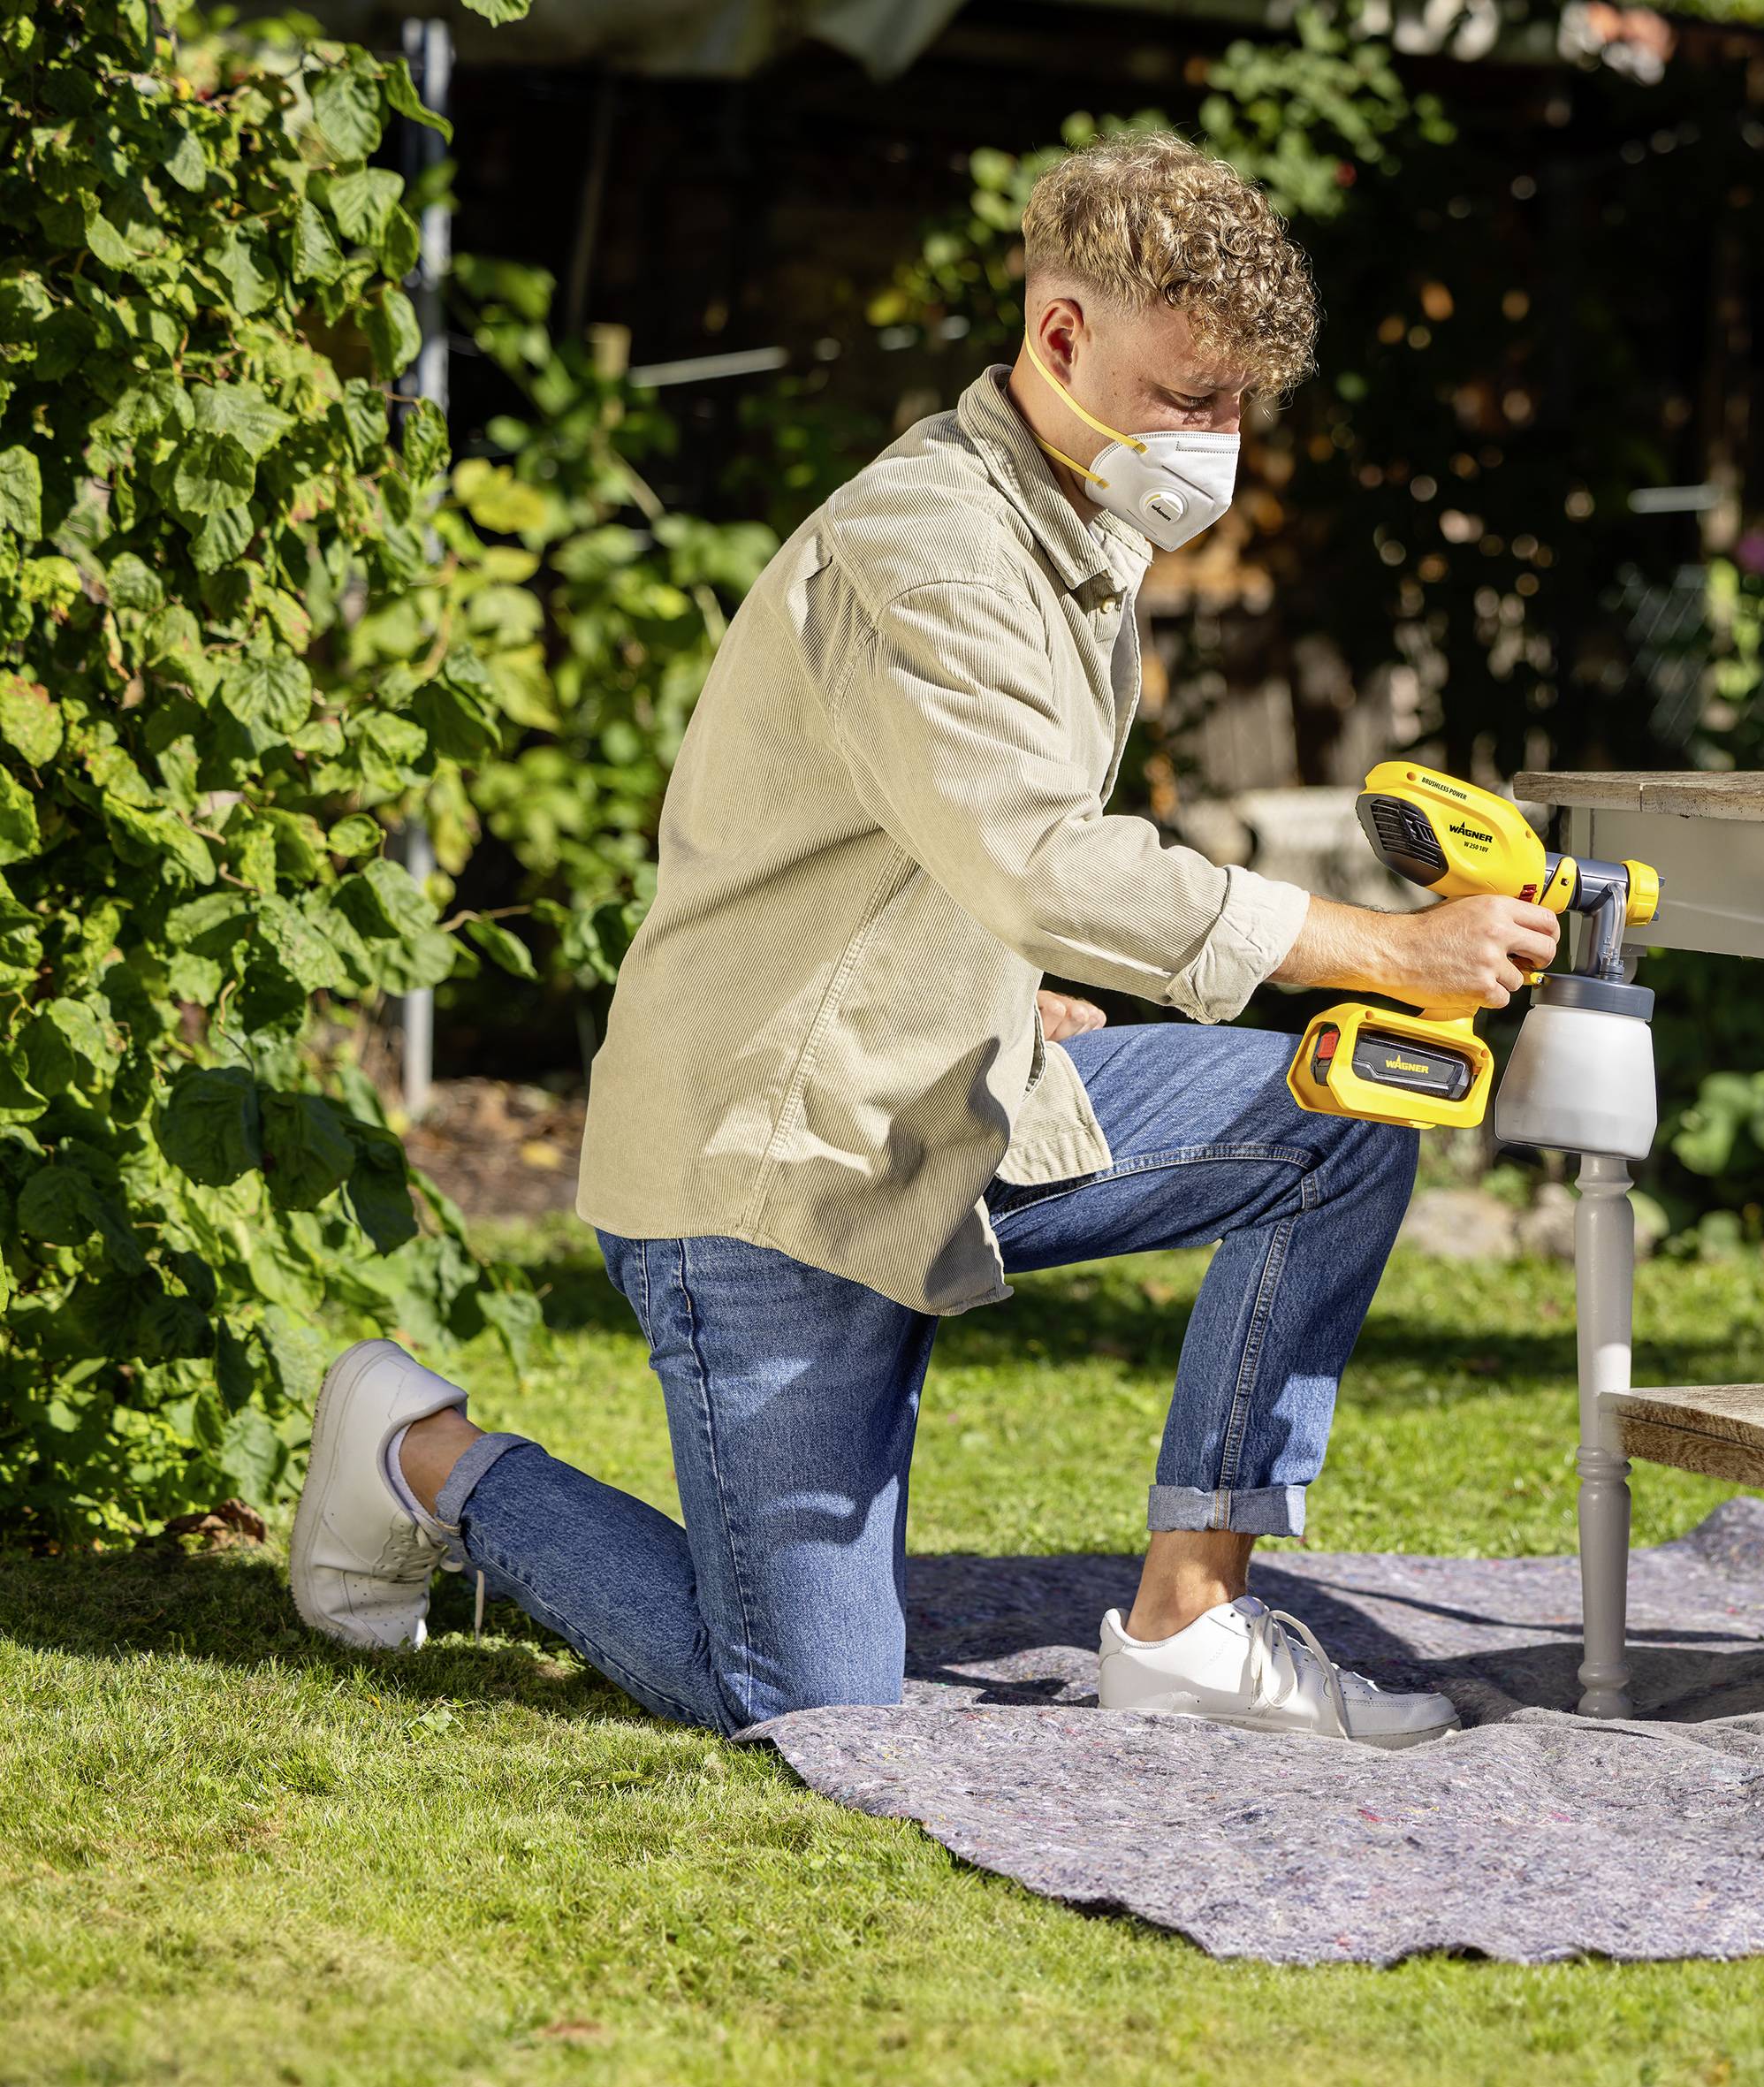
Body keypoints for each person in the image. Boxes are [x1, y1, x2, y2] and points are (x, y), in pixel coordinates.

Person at [282, 133, 1557, 1749]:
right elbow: (1033, 853)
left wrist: (997, 981)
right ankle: (426, 1460)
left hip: (962, 1100)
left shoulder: (1069, 523)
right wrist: (1381, 949)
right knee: (810, 1705)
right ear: (1063, 339)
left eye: (1239, 406)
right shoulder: (927, 545)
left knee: (1341, 1121)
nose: (1215, 445)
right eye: (1189, 397)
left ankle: (1191, 1614)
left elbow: (921, 837)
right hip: (773, 1179)